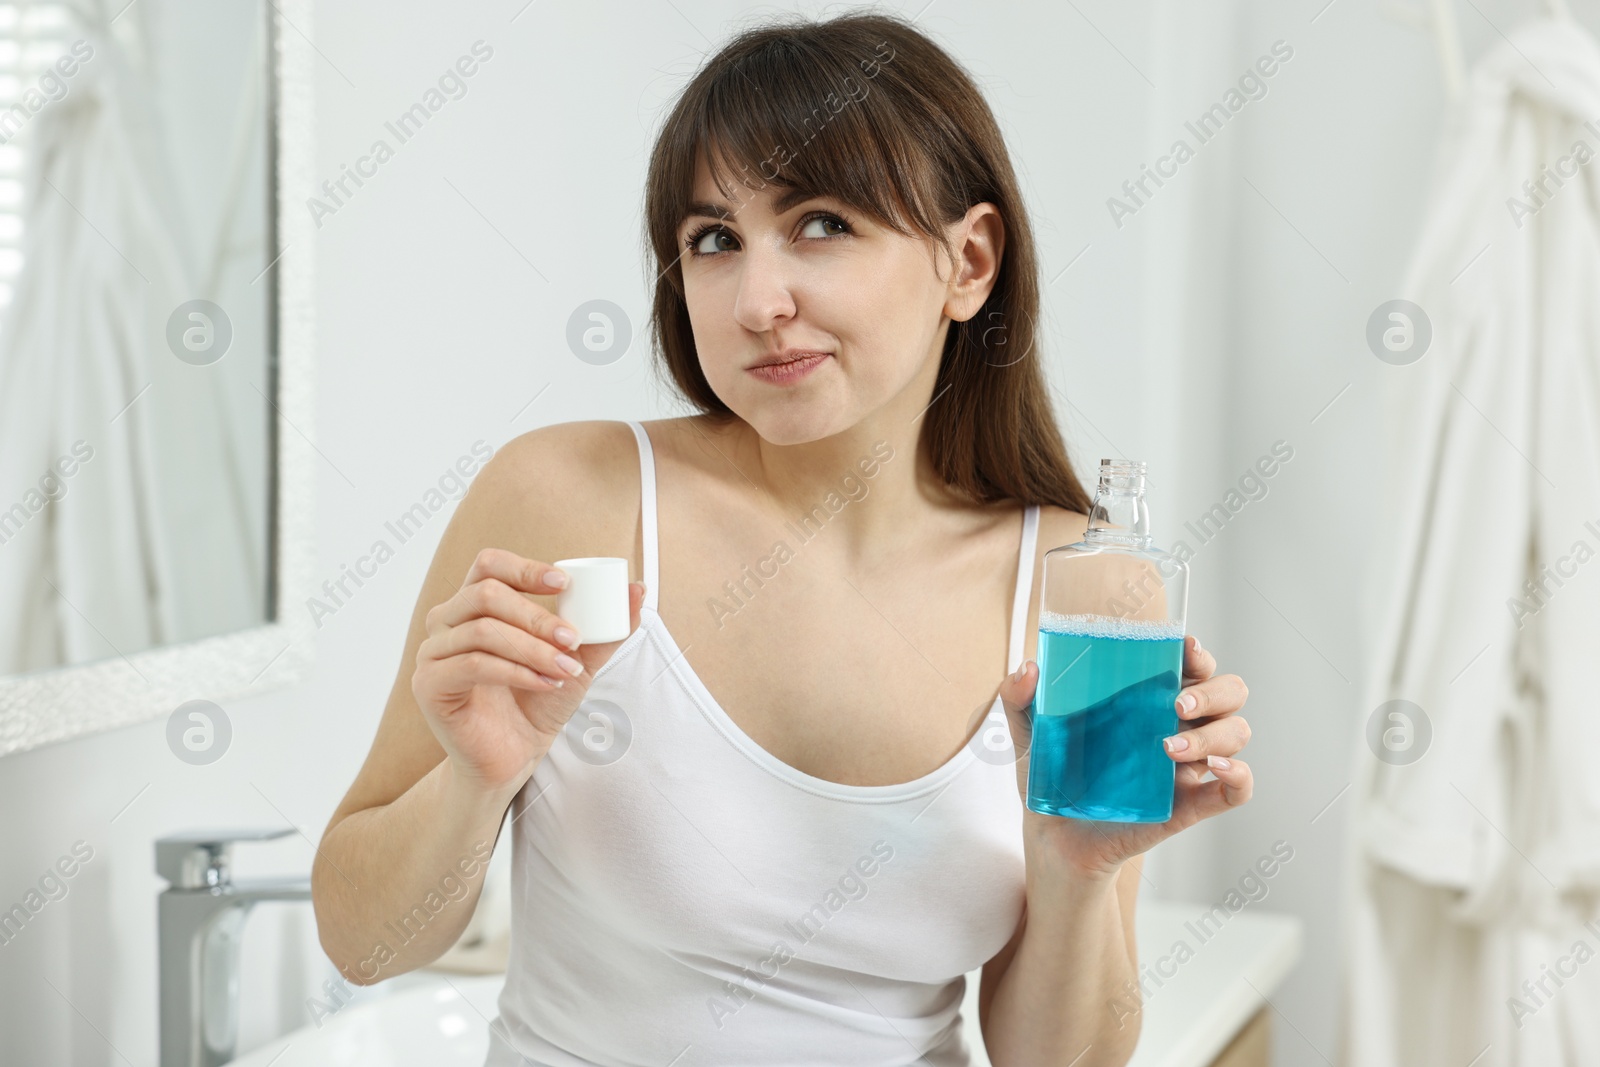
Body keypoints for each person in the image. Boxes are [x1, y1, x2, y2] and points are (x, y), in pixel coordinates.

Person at [311, 10, 1253, 1066]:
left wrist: (1078, 871)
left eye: (820, 224)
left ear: (969, 261)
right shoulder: (571, 498)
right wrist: (472, 785)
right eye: (714, 240)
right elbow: (362, 940)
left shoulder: (1085, 585)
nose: (759, 300)